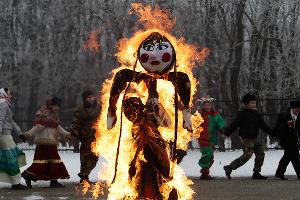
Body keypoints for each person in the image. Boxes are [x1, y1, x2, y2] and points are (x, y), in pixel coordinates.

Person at [22, 97, 71, 188]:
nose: (57, 108)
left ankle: (32, 176)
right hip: (44, 144)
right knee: (51, 162)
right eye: (55, 105)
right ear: (50, 105)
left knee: (46, 163)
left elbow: (58, 127)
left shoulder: (54, 116)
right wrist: (27, 135)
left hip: (50, 143)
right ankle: (51, 181)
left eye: (58, 106)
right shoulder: (44, 115)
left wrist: (67, 134)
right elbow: (37, 127)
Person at [222, 92, 273, 180]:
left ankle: (256, 172)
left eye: (254, 103)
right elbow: (234, 124)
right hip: (246, 138)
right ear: (246, 104)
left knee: (260, 152)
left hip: (254, 137)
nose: (254, 104)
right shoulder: (242, 113)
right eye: (251, 103)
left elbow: (263, 125)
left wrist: (272, 133)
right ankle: (230, 167)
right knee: (248, 155)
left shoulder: (256, 114)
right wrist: (227, 133)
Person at [70, 90, 101, 183]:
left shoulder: (98, 108)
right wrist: (74, 133)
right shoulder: (80, 109)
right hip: (86, 137)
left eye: (92, 97)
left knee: (95, 157)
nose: (91, 99)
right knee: (85, 157)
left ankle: (85, 174)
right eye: (89, 97)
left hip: (97, 136)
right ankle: (84, 176)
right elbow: (76, 123)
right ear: (85, 99)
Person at [0, 88, 27, 189]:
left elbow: (11, 121)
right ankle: (16, 183)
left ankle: (15, 182)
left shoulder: (4, 103)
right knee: (13, 158)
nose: (10, 96)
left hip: (4, 134)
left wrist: (19, 133)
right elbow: (1, 119)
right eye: (9, 94)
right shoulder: (3, 104)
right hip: (4, 135)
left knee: (5, 158)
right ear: (4, 94)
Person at [197, 96, 226, 180]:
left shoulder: (215, 115)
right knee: (207, 154)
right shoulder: (199, 114)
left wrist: (223, 132)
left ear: (211, 105)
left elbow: (220, 124)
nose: (207, 107)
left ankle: (205, 171)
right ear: (203, 106)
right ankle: (204, 172)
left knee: (210, 156)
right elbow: (194, 123)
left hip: (212, 139)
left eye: (209, 105)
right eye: (205, 105)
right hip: (203, 138)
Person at [274, 100, 300, 180]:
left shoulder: (299, 115)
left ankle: (279, 173)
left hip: (295, 140)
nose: (298, 111)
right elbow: (278, 127)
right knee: (295, 156)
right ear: (292, 108)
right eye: (296, 109)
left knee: (288, 156)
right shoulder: (284, 115)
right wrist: (277, 136)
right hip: (286, 139)